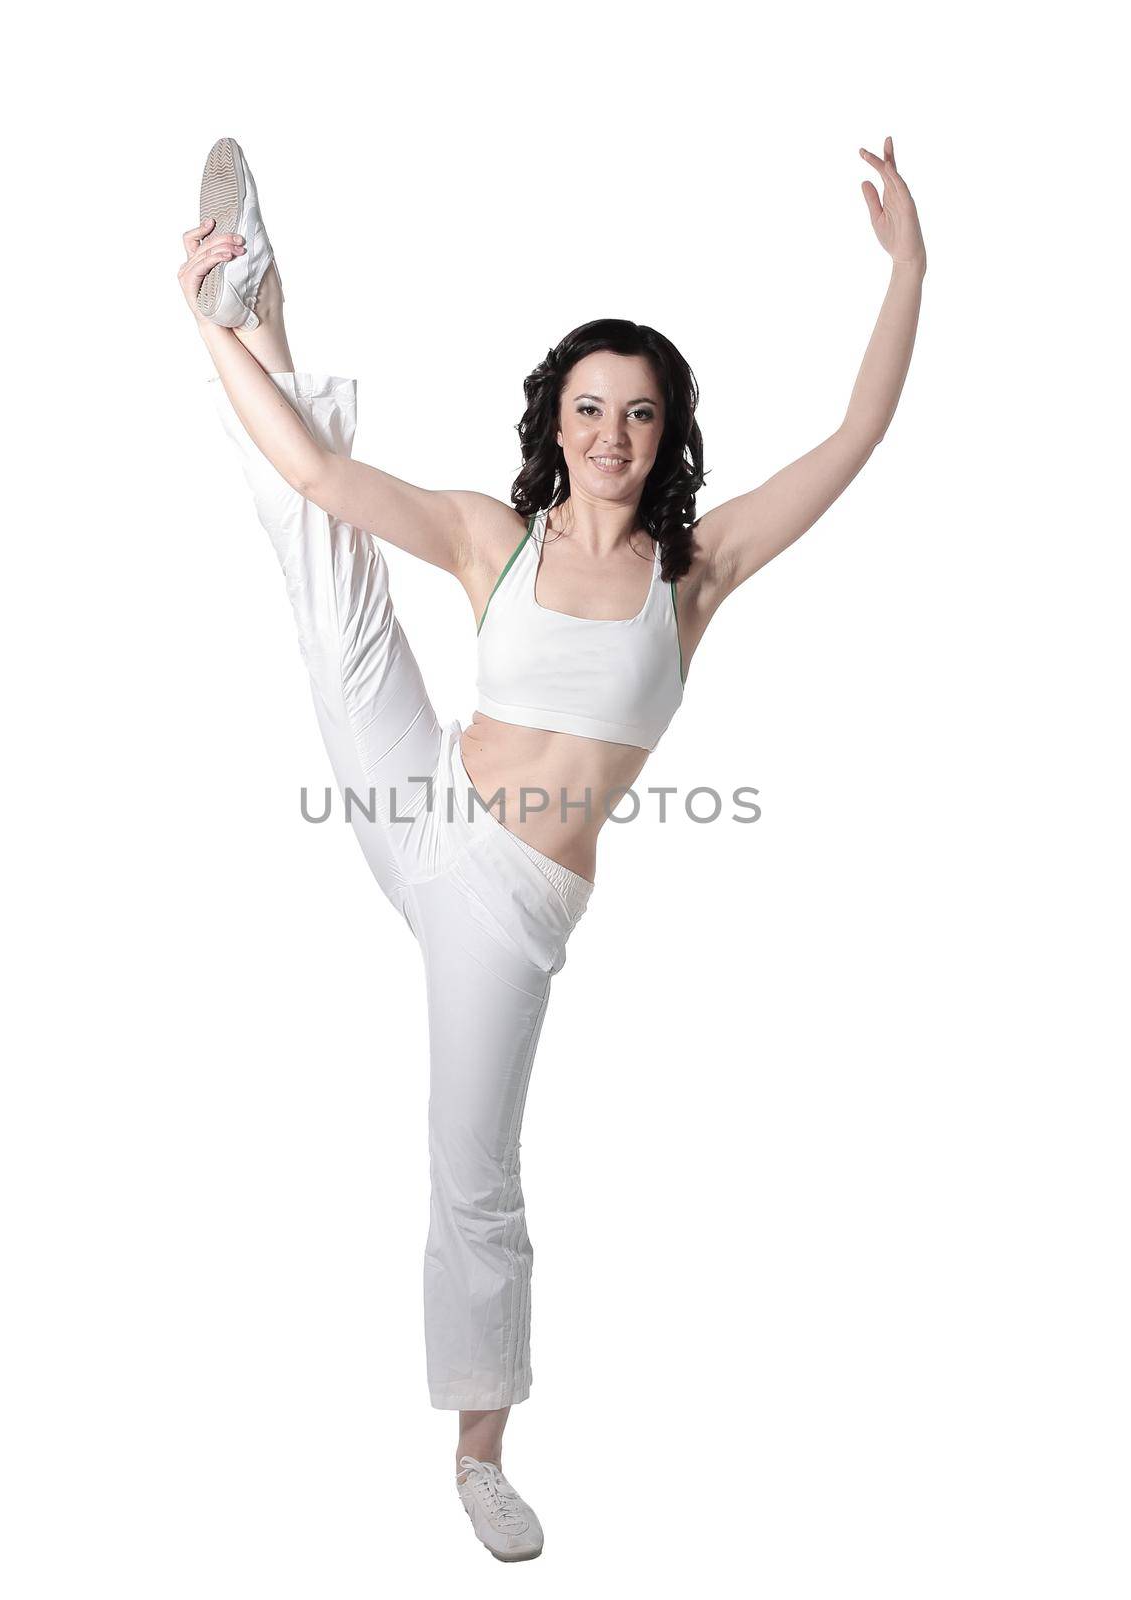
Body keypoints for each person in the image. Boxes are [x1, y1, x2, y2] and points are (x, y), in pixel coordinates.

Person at [179, 134, 926, 1561]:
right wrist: (200, 335)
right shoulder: (489, 536)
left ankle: (479, 1453)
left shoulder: (694, 574)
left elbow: (851, 438)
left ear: (665, 433)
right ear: (556, 419)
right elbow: (326, 481)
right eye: (588, 408)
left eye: (637, 416)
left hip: (503, 908)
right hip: (423, 801)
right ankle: (254, 310)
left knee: (473, 1170)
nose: (609, 435)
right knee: (326, 574)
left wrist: (907, 271)